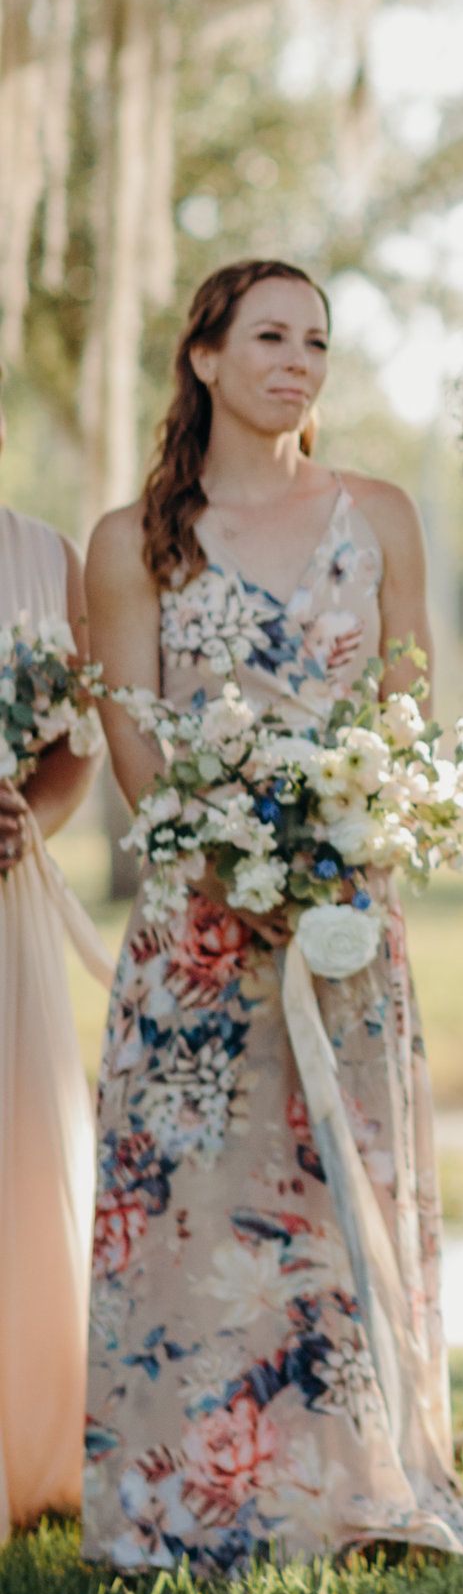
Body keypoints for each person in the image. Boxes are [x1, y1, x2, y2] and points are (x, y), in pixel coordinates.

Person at [82, 261, 463, 1575]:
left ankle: (356, 1490)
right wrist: (228, 870)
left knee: (337, 1190)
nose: (298, 359)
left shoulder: (378, 514)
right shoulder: (132, 539)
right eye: (269, 335)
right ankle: (183, 1507)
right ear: (202, 357)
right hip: (199, 929)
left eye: (318, 338)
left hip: (344, 923)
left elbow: (408, 701)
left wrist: (356, 835)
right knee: (197, 1205)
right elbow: (134, 743)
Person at [0, 364, 103, 1533]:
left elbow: (73, 746)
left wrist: (36, 816)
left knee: (20, 1146)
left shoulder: (45, 558)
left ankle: (29, 1453)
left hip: (6, 900)